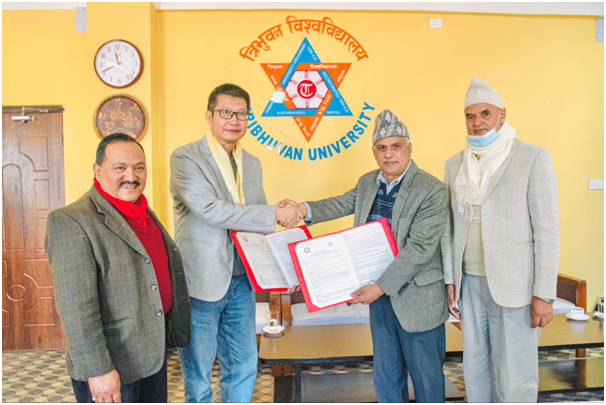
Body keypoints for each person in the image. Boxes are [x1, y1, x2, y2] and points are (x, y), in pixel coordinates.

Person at [279, 109, 449, 403]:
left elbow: (420, 250)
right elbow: (339, 204)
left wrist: (380, 286)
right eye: (381, 148)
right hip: (378, 298)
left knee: (427, 379)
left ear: (409, 148)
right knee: (386, 375)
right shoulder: (368, 182)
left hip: (417, 298)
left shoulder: (431, 189)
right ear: (374, 151)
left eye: (396, 146)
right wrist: (301, 209)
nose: (388, 154)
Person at [169, 83, 301, 402]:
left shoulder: (251, 162)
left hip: (242, 280)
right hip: (202, 282)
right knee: (199, 374)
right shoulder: (185, 158)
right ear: (209, 116)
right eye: (226, 112)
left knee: (244, 365)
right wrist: (274, 213)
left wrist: (281, 270)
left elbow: (256, 224)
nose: (234, 120)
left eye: (242, 114)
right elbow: (212, 210)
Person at [44, 133, 191, 403]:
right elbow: (76, 309)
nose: (131, 176)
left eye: (139, 167)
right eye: (120, 167)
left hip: (151, 357)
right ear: (98, 171)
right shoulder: (71, 220)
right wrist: (99, 370)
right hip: (111, 365)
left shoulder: (142, 212)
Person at [441, 77, 560, 402]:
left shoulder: (532, 157)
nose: (477, 122)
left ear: (502, 115)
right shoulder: (455, 164)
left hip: (516, 286)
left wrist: (543, 294)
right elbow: (449, 228)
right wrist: (451, 280)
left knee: (515, 374)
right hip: (470, 285)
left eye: (485, 113)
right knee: (475, 369)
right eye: (470, 116)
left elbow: (547, 231)